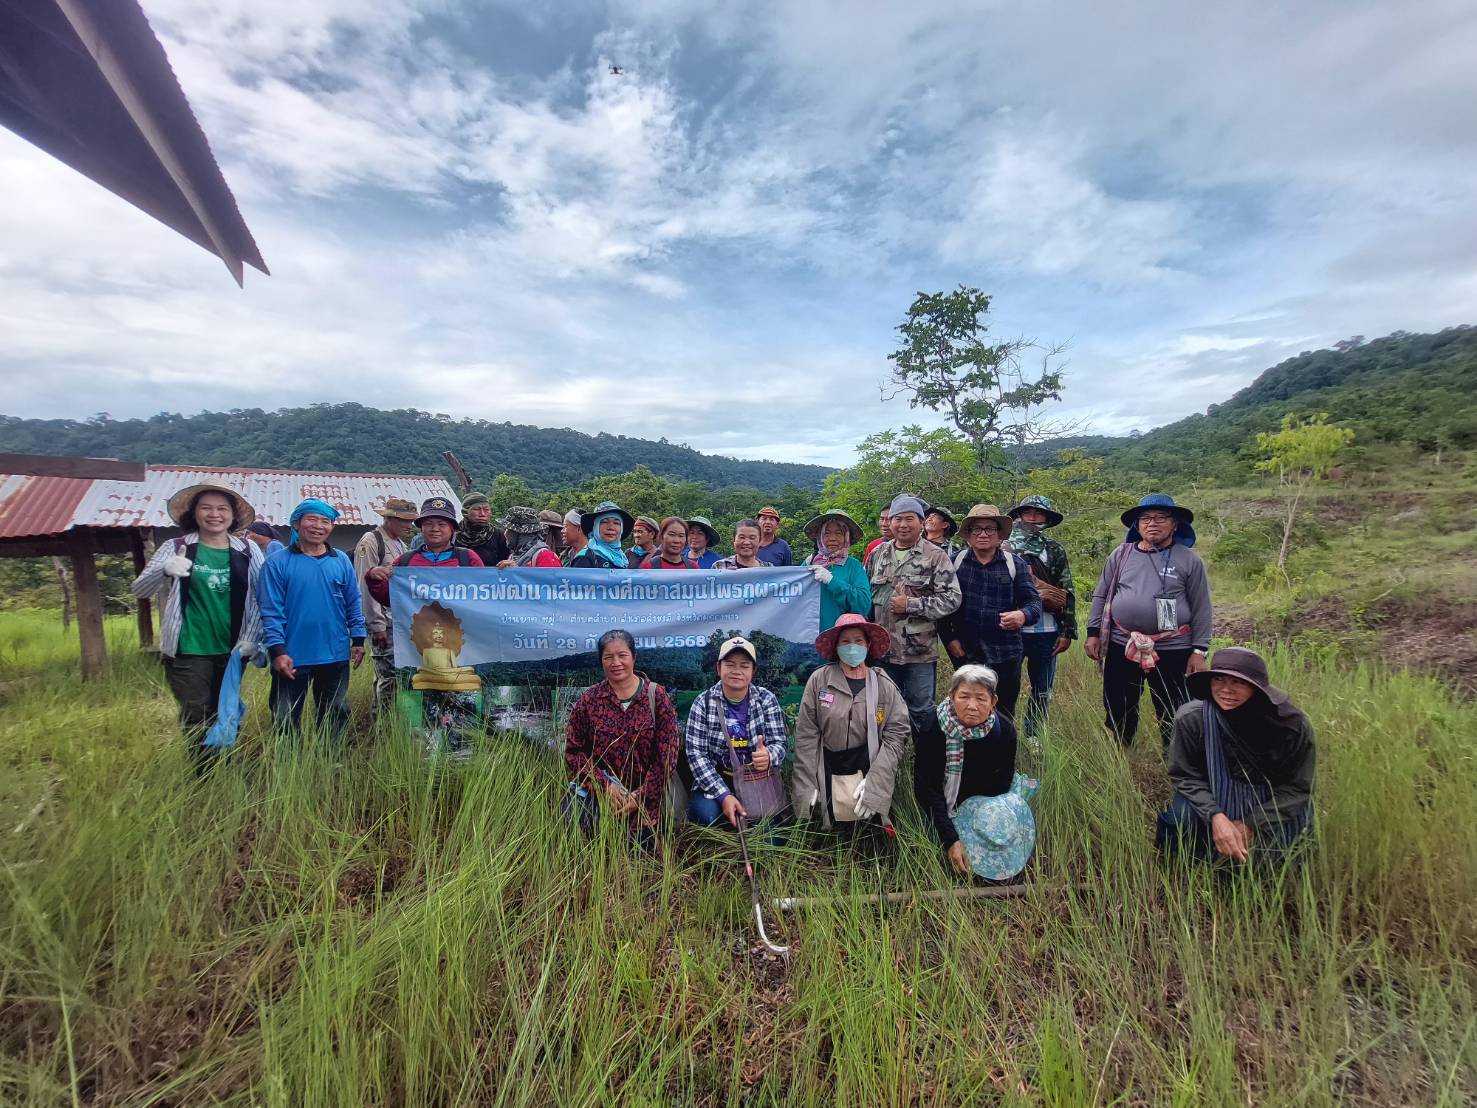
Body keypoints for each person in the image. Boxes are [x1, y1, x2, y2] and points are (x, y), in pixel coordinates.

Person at [131, 481, 264, 768]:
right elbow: (140, 589)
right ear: (194, 513)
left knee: (226, 709)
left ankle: (225, 766)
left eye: (222, 509)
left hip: (232, 649)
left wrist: (253, 637)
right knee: (196, 714)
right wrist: (164, 570)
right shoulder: (176, 547)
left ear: (232, 515)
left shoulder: (248, 550)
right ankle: (203, 774)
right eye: (206, 508)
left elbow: (261, 595)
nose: (214, 514)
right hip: (188, 648)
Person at [1157, 647, 1315, 867]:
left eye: (1238, 682)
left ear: (1256, 687)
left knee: (1281, 858)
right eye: (1218, 679)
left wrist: (1252, 823)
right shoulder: (1193, 719)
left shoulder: (1292, 725)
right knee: (1180, 820)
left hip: (1269, 799)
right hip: (1210, 792)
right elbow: (1184, 774)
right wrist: (1215, 816)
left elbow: (1299, 787)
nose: (1226, 690)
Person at [1087, 494, 1213, 747]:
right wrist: (1093, 632)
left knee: (1175, 704)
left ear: (1175, 524)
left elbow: (1202, 606)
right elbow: (1102, 593)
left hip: (1173, 647)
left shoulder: (1189, 560)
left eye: (1161, 517)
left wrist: (1199, 651)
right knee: (1118, 701)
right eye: (1145, 518)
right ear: (1137, 524)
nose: (1152, 523)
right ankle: (1122, 749)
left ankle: (1175, 755)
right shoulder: (1121, 555)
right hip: (1122, 642)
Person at [365, 497, 487, 758]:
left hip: (460, 649)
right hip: (416, 650)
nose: (435, 529)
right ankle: (420, 757)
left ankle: (461, 756)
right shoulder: (406, 562)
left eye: (442, 524)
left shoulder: (467, 559)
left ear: (452, 528)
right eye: (429, 523)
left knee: (458, 701)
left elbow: (487, 595)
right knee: (420, 702)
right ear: (421, 527)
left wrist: (505, 573)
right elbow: (388, 597)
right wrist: (374, 578)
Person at [790, 614, 911, 839]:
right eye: (845, 642)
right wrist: (805, 785)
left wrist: (877, 783)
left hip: (868, 763)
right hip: (828, 763)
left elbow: (896, 736)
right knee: (825, 833)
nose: (852, 647)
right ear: (836, 647)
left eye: (858, 641)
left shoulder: (883, 684)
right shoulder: (819, 680)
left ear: (868, 645)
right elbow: (807, 735)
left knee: (868, 834)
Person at [913, 665, 1036, 883]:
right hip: (945, 803)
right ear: (952, 696)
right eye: (964, 696)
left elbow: (1002, 782)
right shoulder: (933, 727)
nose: (972, 706)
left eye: (981, 698)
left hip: (984, 805)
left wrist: (978, 819)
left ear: (993, 701)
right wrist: (951, 837)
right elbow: (926, 788)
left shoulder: (1004, 731)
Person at [257, 499, 366, 739]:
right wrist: (277, 650)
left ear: (332, 527)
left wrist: (358, 639)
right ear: (296, 524)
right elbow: (270, 611)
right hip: (291, 655)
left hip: (335, 652)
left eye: (325, 521)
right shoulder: (277, 563)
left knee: (334, 713)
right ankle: (288, 760)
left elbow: (353, 601)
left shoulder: (340, 561)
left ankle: (330, 757)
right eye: (312, 519)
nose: (318, 526)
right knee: (285, 716)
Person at [564, 629, 682, 847]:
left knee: (637, 848)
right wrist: (604, 787)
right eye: (608, 657)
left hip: (647, 797)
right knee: (578, 828)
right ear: (601, 661)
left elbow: (666, 758)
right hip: (601, 792)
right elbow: (574, 752)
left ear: (634, 657)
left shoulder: (657, 697)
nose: (616, 663)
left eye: (622, 655)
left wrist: (640, 797)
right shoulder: (589, 700)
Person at [867, 494, 962, 734]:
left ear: (921, 522)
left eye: (910, 519)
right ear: (890, 522)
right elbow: (867, 597)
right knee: (882, 709)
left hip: (918, 651)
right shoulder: (877, 554)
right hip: (883, 651)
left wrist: (911, 604)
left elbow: (952, 598)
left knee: (921, 711)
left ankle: (925, 756)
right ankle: (888, 755)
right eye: (897, 519)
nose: (903, 524)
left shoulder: (935, 556)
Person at [938, 504, 1042, 724]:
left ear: (999, 534)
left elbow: (1033, 603)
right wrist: (950, 639)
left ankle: (1003, 746)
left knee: (1003, 712)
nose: (983, 534)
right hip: (966, 652)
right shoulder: (955, 562)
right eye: (977, 529)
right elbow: (943, 605)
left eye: (989, 529)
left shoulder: (1015, 564)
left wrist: (1022, 616)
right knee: (967, 710)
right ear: (968, 534)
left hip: (1006, 652)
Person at [684, 636, 789, 827]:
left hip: (756, 778)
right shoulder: (703, 703)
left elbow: (780, 744)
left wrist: (769, 756)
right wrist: (724, 795)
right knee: (706, 816)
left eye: (744, 665)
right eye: (730, 664)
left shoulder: (766, 699)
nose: (737, 671)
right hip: (717, 777)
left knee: (770, 835)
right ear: (719, 668)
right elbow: (696, 755)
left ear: (753, 671)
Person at [1005, 495, 1077, 739]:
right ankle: (1004, 732)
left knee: (1042, 688)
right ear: (1020, 515)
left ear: (1046, 517)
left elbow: (1066, 589)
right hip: (1010, 629)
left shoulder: (1054, 549)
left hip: (1046, 630)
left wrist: (1067, 630)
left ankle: (1034, 734)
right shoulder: (1003, 547)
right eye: (1028, 512)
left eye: (1039, 513)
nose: (1033, 517)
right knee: (1006, 686)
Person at [352, 496, 417, 717]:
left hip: (400, 621)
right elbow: (364, 585)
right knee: (387, 677)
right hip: (384, 623)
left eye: (411, 521)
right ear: (388, 518)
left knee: (399, 675)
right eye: (403, 520)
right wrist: (376, 625)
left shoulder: (400, 544)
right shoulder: (371, 541)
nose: (408, 525)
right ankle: (383, 724)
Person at [802, 510, 873, 630]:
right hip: (810, 634)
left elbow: (864, 605)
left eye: (838, 533)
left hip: (842, 636)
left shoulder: (854, 566)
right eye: (826, 533)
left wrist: (832, 582)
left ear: (846, 537)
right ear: (820, 537)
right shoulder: (809, 563)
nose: (832, 539)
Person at [570, 501, 631, 569]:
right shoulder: (585, 558)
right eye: (604, 522)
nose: (611, 527)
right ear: (595, 527)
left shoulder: (622, 558)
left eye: (616, 523)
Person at [498, 506, 563, 567]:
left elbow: (552, 576)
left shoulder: (545, 556)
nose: (505, 533)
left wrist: (517, 572)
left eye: (509, 530)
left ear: (521, 534)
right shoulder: (514, 556)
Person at [455, 493, 509, 567]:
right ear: (465, 511)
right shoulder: (453, 535)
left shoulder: (500, 536)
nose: (482, 514)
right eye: (477, 509)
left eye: (486, 509)